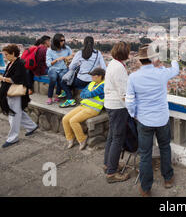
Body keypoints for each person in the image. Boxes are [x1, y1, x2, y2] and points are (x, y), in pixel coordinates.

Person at [126, 44, 179, 197]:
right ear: (152, 59)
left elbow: (129, 101)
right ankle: (168, 179)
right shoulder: (161, 73)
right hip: (162, 119)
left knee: (145, 154)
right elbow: (176, 69)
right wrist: (173, 58)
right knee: (165, 147)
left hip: (144, 120)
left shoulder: (133, 77)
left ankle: (146, 188)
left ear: (141, 61)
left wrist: (134, 114)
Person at [0, 44, 38, 148]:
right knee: (17, 112)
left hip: (15, 92)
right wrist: (0, 77)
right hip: (10, 91)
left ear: (13, 53)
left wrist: (1, 78)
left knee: (13, 114)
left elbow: (15, 79)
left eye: (7, 54)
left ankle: (13, 137)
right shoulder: (11, 63)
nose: (5, 57)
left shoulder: (19, 64)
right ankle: (32, 126)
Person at [103, 41, 131, 183]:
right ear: (124, 53)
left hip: (110, 103)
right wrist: (132, 109)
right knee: (118, 138)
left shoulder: (112, 63)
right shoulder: (119, 68)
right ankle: (111, 173)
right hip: (117, 106)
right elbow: (123, 93)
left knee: (112, 136)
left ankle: (108, 164)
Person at [62, 67, 105, 151]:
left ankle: (82, 139)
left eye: (93, 76)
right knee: (65, 119)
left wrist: (87, 94)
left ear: (100, 76)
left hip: (93, 109)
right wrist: (88, 94)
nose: (92, 77)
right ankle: (70, 138)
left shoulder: (104, 85)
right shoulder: (92, 83)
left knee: (73, 121)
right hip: (83, 106)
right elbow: (82, 94)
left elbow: (92, 93)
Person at [59, 36, 106, 108]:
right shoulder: (98, 53)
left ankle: (70, 99)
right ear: (93, 43)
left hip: (81, 80)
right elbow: (103, 68)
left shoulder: (80, 53)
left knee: (63, 82)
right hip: (93, 81)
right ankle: (68, 94)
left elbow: (71, 67)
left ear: (84, 43)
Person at [46, 34, 73, 105]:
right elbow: (48, 64)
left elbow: (72, 55)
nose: (63, 42)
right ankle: (49, 97)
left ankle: (57, 95)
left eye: (64, 40)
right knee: (53, 78)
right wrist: (56, 60)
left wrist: (67, 58)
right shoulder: (50, 50)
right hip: (53, 68)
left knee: (61, 79)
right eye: (61, 40)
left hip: (63, 68)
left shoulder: (67, 48)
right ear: (56, 41)